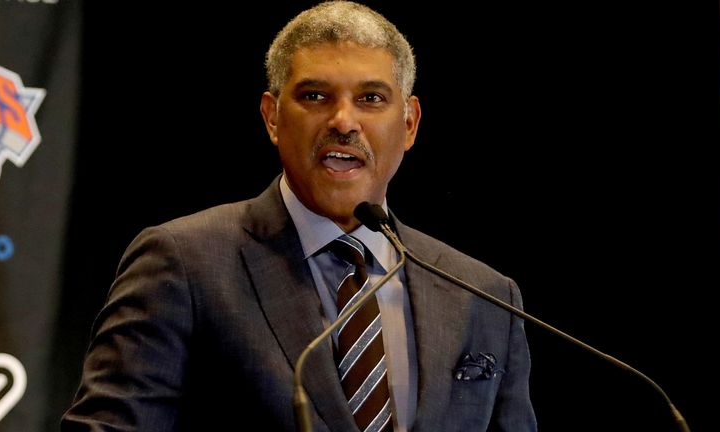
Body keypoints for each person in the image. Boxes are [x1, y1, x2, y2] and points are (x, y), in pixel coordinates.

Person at [61, 1, 537, 431]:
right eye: (315, 96)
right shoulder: (183, 263)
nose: (343, 122)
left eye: (371, 98)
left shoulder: (485, 295)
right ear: (272, 117)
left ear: (409, 123)